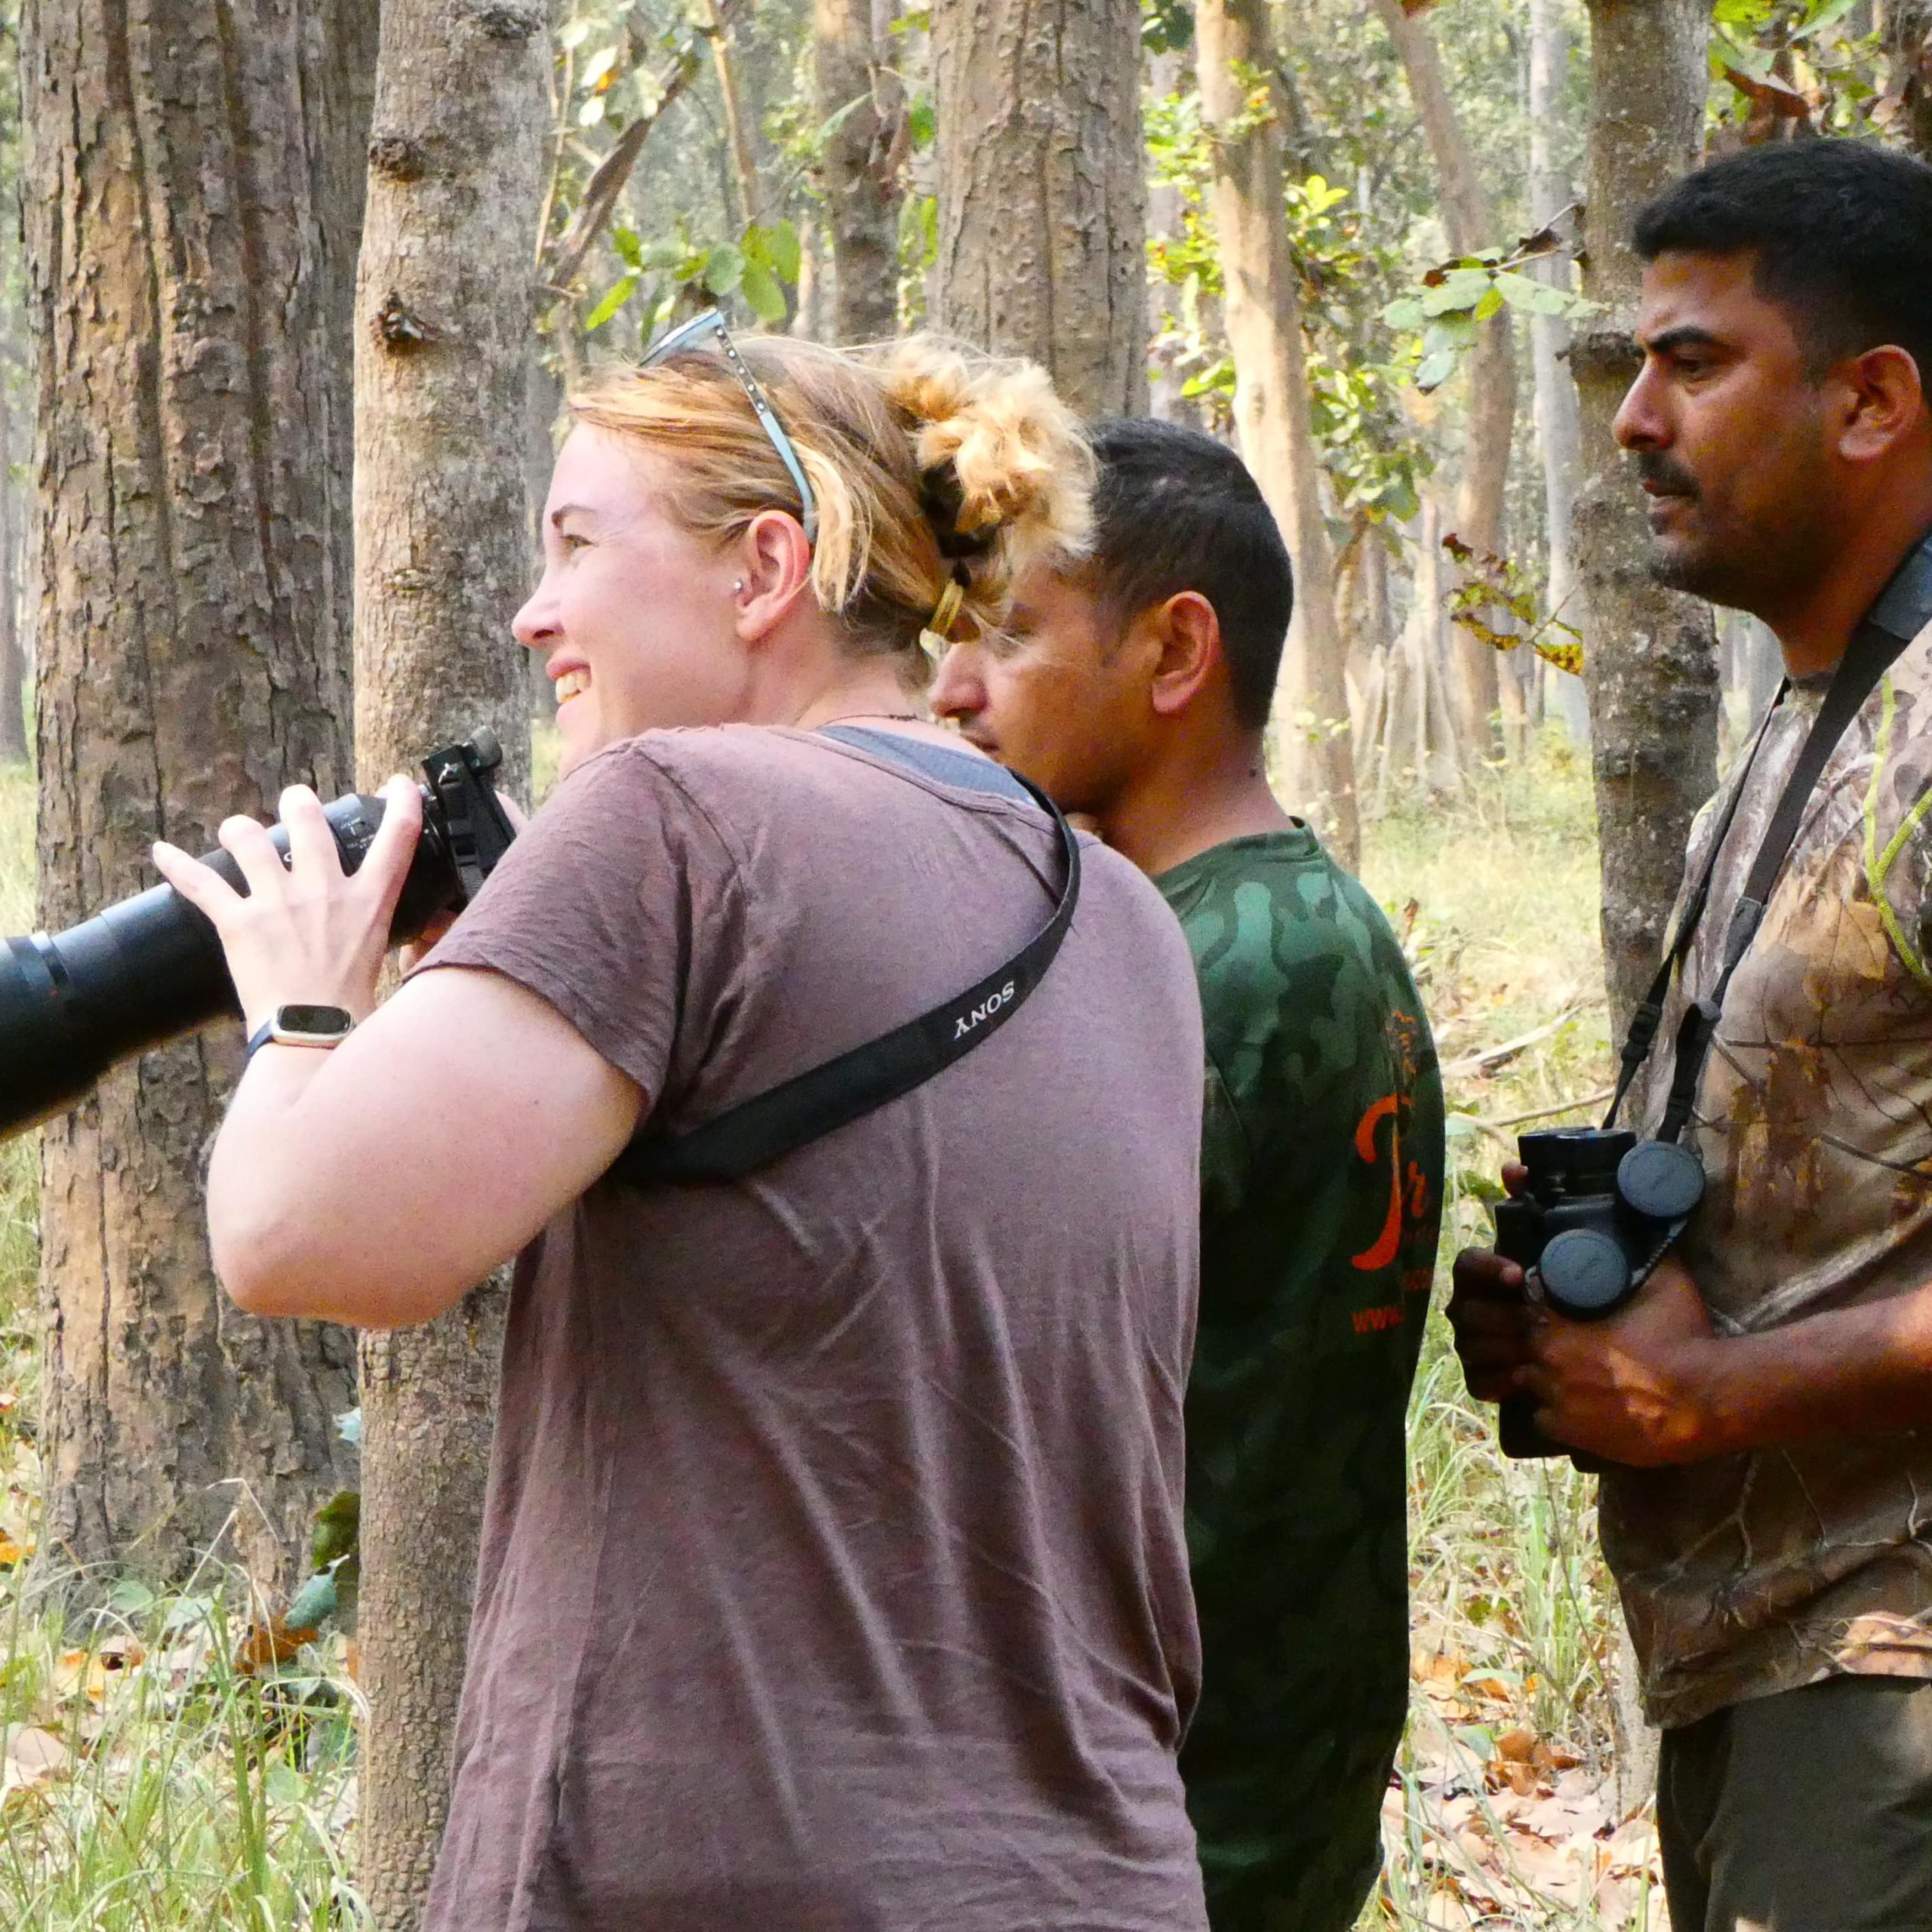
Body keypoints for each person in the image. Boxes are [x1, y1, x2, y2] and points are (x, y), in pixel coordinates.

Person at [152, 323, 1214, 1931]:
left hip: (715, 1869)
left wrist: (303, 1000)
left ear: (766, 567)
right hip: (1092, 1870)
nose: (535, 609)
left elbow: (297, 1234)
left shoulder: (673, 814)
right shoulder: (1121, 914)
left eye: (579, 541)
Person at [1447, 139, 1932, 1932]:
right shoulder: (1823, 705)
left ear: (1870, 398)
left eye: (1694, 360)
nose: (1633, 415)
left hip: (1886, 1668)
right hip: (1753, 1656)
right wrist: (1584, 1325)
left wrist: (1721, 1387)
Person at [930, 417, 1445, 1932]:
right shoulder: (1272, 922)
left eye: (1011, 634)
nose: (956, 687)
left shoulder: (1218, 963)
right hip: (1244, 1767)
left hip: (1184, 1796)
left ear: (1173, 653)